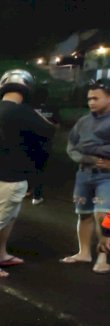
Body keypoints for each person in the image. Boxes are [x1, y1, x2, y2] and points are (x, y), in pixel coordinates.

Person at [0, 69, 55, 278]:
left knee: (6, 217)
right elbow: (49, 131)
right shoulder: (25, 112)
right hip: (5, 176)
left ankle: (0, 254)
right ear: (27, 89)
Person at [62, 79, 110, 273]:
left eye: (96, 98)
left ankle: (104, 257)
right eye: (89, 98)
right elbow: (72, 146)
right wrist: (88, 157)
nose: (91, 102)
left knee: (104, 216)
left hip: (106, 175)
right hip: (84, 173)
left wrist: (98, 150)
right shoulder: (84, 121)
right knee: (83, 214)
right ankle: (84, 252)